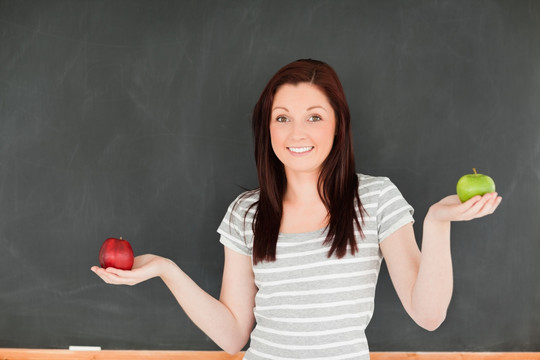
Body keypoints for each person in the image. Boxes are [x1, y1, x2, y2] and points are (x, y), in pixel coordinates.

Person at [91, 59, 502, 359]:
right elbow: (234, 335)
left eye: (314, 116)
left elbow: (428, 315)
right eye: (282, 118)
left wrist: (437, 223)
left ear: (338, 125)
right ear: (267, 128)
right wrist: (166, 269)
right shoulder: (246, 213)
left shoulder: (376, 199)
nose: (297, 132)